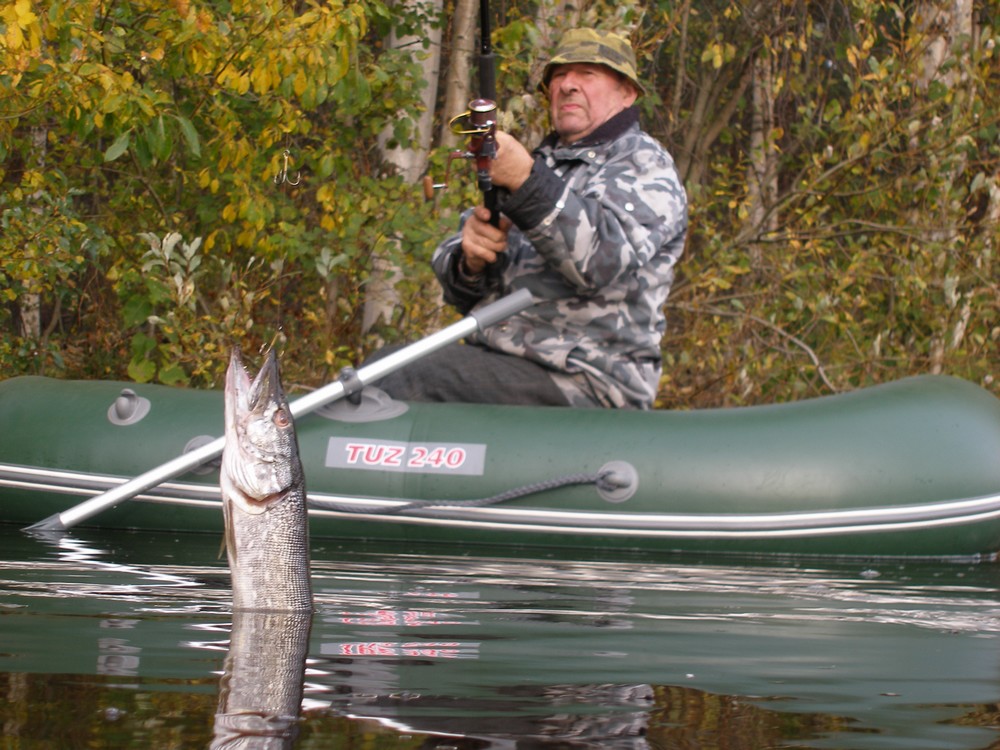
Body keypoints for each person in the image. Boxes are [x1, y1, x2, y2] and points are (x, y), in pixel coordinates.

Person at [375, 28, 688, 409]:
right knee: (380, 367)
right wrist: (470, 259)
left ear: (628, 92)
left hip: (589, 379)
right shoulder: (545, 164)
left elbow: (601, 261)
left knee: (402, 379)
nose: (568, 85)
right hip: (505, 363)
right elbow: (458, 283)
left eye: (588, 73)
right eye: (559, 76)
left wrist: (526, 180)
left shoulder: (644, 165)